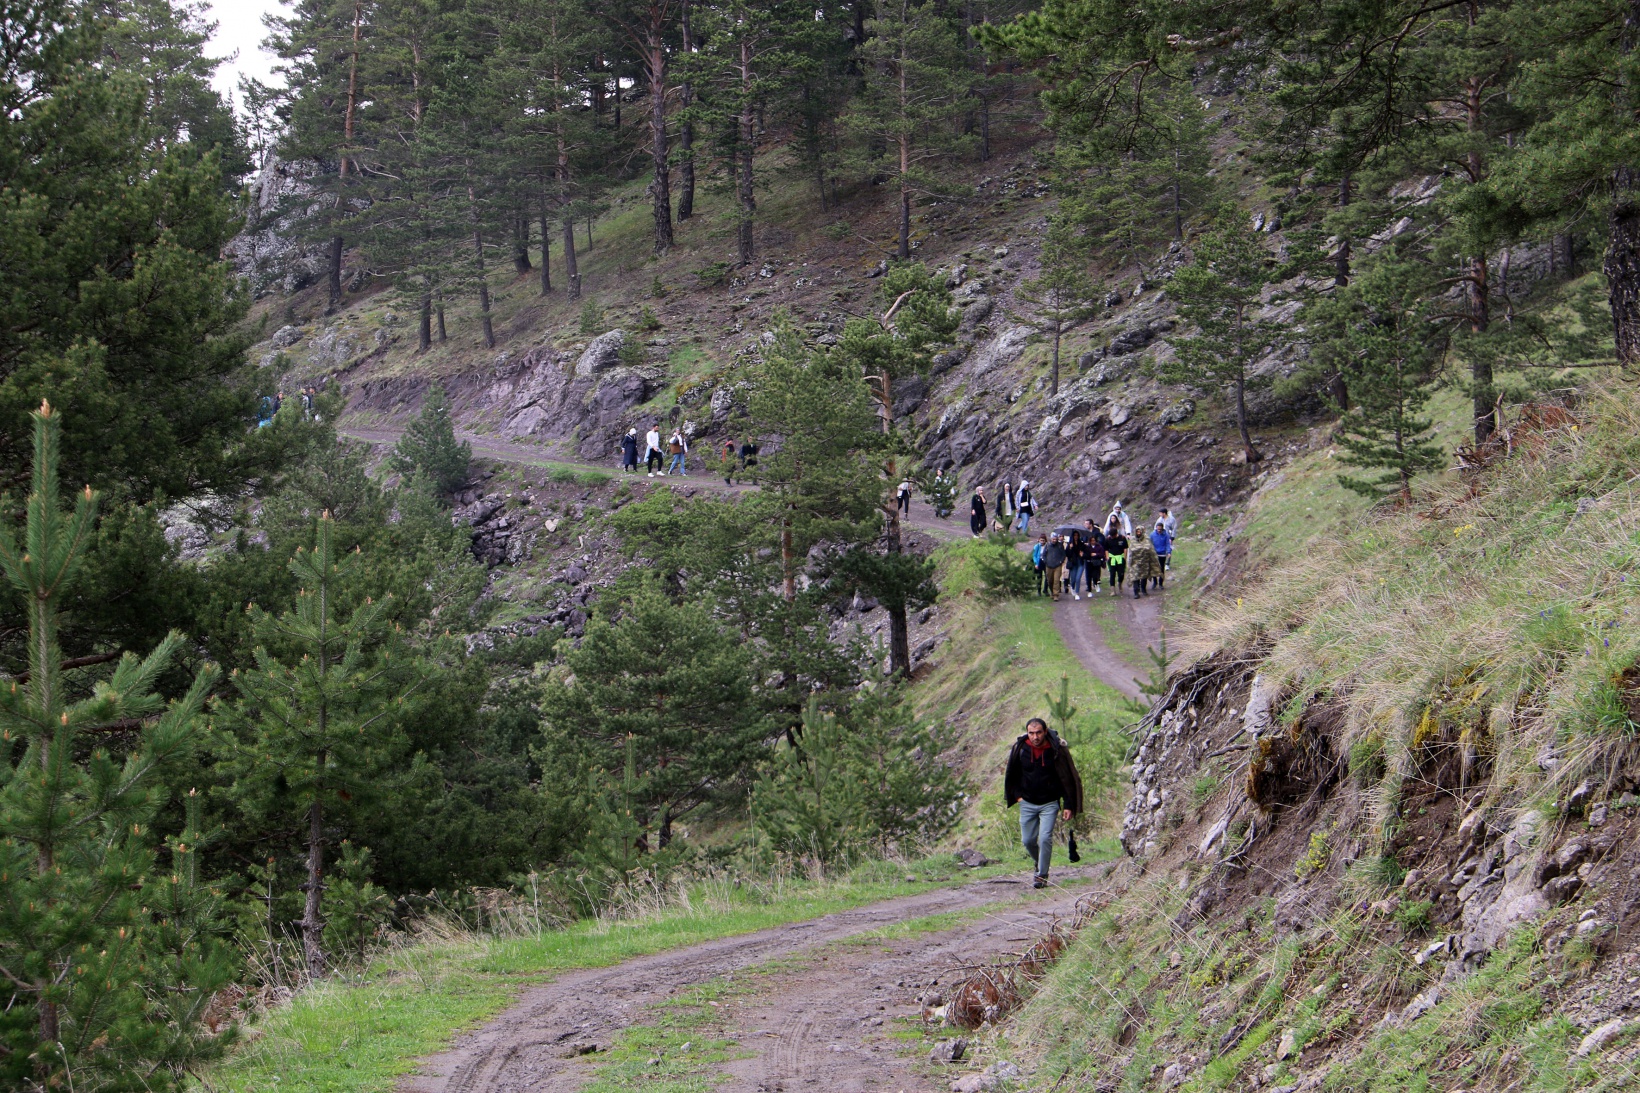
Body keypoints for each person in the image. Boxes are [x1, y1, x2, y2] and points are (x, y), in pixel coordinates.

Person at [1004, 717, 1084, 888]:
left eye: (1038, 732)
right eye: (1031, 733)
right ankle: (1039, 862)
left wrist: (1068, 805)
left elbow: (1066, 778)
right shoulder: (1021, 748)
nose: (1035, 737)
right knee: (1028, 840)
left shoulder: (1056, 749)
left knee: (1045, 838)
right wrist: (1018, 796)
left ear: (1045, 732)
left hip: (1049, 803)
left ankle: (1042, 875)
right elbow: (1013, 774)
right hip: (1027, 802)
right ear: (1027, 733)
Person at [1128, 532, 1160, 597]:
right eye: (1137, 531)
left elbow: (1150, 550)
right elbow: (1130, 551)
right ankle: (1136, 592)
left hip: (1145, 562)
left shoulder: (1147, 540)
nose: (1138, 533)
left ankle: (1143, 590)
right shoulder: (1133, 540)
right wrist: (1129, 562)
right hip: (1135, 562)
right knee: (1135, 577)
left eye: (1140, 531)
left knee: (1144, 576)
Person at [1083, 519, 1107, 597]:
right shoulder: (1084, 532)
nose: (1085, 525)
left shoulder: (1097, 532)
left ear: (1091, 524)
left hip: (1096, 557)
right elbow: (1082, 540)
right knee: (1087, 573)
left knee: (1095, 573)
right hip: (1087, 556)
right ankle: (1089, 587)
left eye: (1086, 524)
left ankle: (1096, 583)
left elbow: (1101, 541)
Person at [1041, 533, 1068, 601]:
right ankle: (1052, 592)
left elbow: (1063, 555)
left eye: (1055, 539)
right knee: (1049, 580)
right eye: (1053, 539)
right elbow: (1043, 555)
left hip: (1057, 566)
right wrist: (1045, 561)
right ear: (1051, 539)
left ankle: (1056, 595)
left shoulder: (1060, 546)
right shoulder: (1047, 545)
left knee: (1056, 580)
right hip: (1049, 565)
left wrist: (1060, 561)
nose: (1054, 540)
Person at [1105, 520, 1128, 596]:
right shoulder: (1108, 539)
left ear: (1116, 534)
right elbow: (1106, 549)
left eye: (1113, 536)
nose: (1112, 537)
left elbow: (1125, 548)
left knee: (1121, 574)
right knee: (1112, 574)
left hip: (1120, 558)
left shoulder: (1122, 538)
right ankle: (1112, 590)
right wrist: (1107, 557)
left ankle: (1120, 583)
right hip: (1112, 558)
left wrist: (1124, 557)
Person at [1065, 527, 1088, 601]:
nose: (1076, 537)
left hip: (1080, 563)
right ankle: (1072, 587)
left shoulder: (1081, 544)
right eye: (1074, 535)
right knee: (1073, 579)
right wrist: (1070, 548)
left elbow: (1087, 553)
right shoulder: (1069, 544)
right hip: (1073, 563)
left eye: (1077, 535)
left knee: (1078, 578)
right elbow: (1067, 555)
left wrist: (1083, 555)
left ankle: (1077, 593)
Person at [1151, 518, 1174, 589]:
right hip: (1154, 554)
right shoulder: (1152, 534)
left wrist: (1169, 552)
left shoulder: (1166, 535)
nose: (1159, 531)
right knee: (1154, 569)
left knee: (1161, 569)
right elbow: (1150, 544)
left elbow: (1168, 544)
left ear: (1162, 529)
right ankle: (1155, 582)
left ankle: (1161, 583)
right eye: (1158, 529)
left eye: (1160, 529)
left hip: (1162, 554)